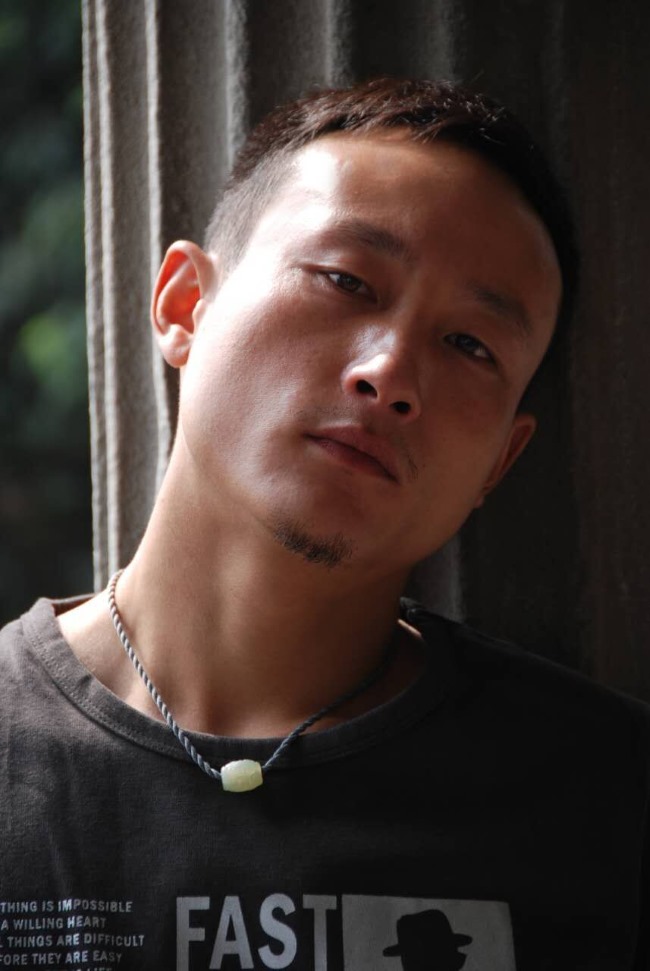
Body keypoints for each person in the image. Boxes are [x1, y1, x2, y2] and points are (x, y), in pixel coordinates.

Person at [0, 78, 647, 971]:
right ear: (185, 305)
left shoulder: (609, 798)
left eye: (470, 345)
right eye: (346, 280)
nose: (391, 373)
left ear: (499, 462)